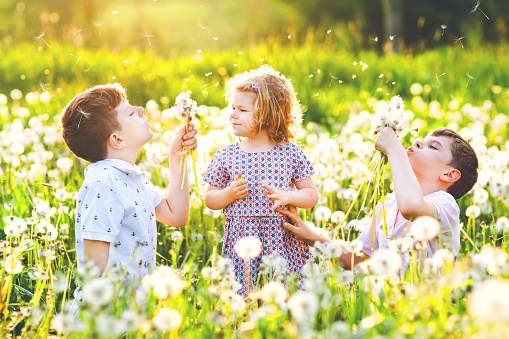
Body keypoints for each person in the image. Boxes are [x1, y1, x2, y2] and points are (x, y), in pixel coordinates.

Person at [60, 83, 197, 312]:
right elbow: (95, 269)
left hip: (132, 315)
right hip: (105, 319)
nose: (141, 109)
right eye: (130, 112)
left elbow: (176, 215)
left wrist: (178, 155)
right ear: (118, 140)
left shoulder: (131, 178)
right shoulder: (103, 183)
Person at [279, 127, 478, 272]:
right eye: (422, 140)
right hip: (387, 309)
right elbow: (359, 259)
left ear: (449, 175)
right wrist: (311, 236)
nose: (417, 142)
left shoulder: (445, 204)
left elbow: (412, 207)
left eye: (432, 147)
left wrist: (394, 149)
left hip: (427, 311)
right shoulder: (387, 205)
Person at [203, 66, 318, 295]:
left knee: (282, 294)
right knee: (243, 294)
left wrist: (289, 195)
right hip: (242, 239)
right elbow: (210, 199)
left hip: (281, 238)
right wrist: (229, 194)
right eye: (232, 107)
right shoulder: (226, 155)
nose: (233, 114)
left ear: (266, 114)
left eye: (242, 109)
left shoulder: (291, 153)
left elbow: (311, 195)